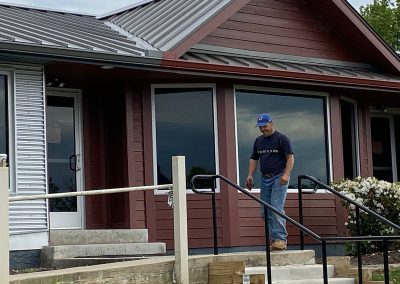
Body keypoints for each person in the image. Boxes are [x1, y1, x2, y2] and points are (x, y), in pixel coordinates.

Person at [245, 113, 294, 250]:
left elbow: (290, 157)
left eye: (264, 126)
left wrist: (286, 174)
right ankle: (275, 240)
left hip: (279, 176)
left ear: (271, 123)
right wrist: (250, 175)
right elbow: (254, 159)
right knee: (265, 211)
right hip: (265, 178)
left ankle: (280, 239)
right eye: (260, 127)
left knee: (276, 208)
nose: (262, 129)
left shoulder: (281, 138)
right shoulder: (258, 141)